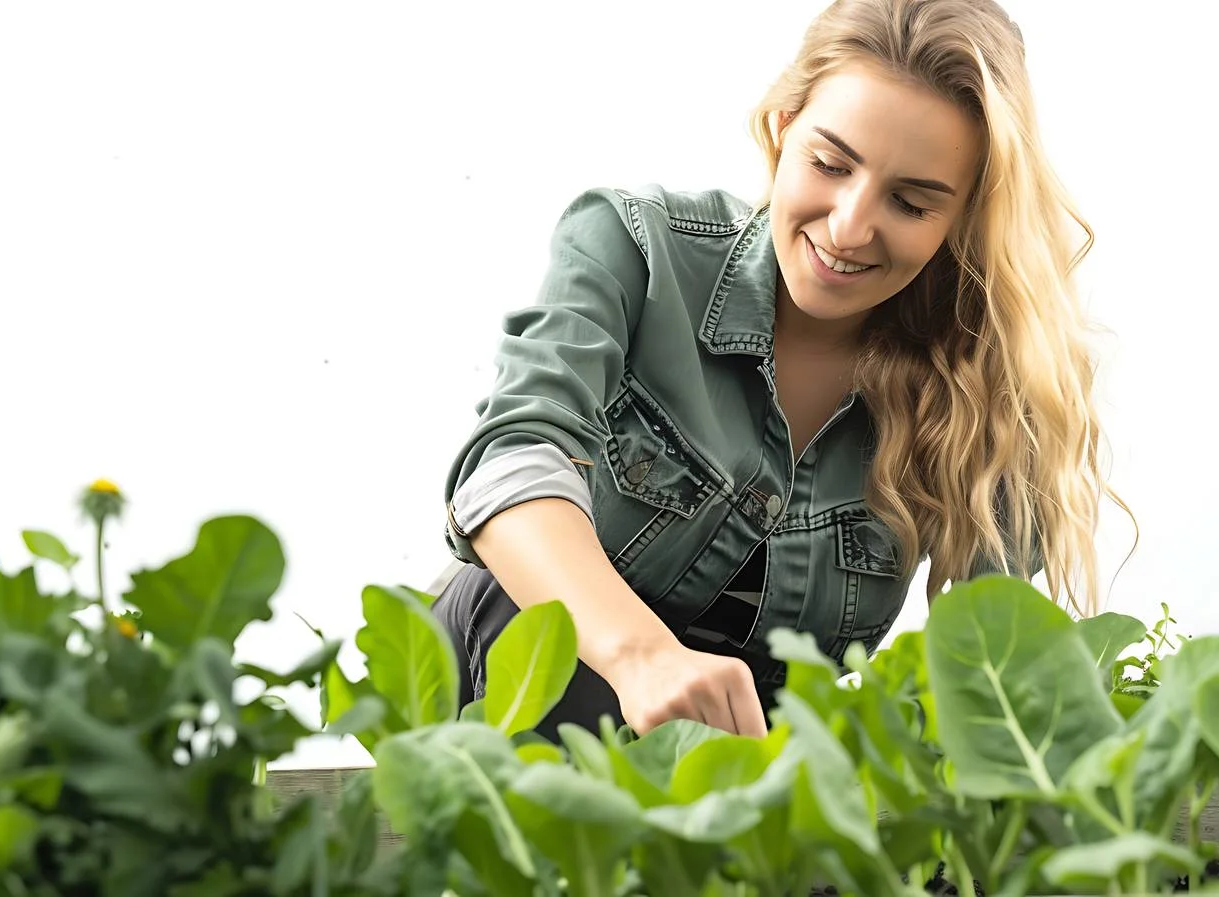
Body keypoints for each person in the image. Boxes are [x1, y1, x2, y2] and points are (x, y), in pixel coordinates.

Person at [430, 0, 1129, 745]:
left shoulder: (986, 384)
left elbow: (1004, 652)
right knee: (540, 629)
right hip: (509, 680)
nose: (850, 226)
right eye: (830, 164)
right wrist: (642, 659)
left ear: (962, 218)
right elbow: (509, 466)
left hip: (736, 766)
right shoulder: (635, 248)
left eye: (911, 202)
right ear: (782, 124)